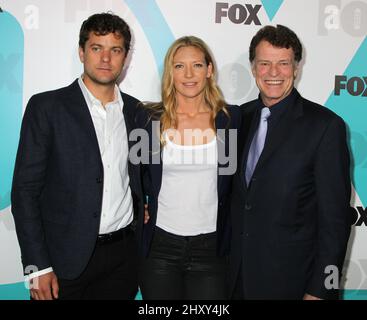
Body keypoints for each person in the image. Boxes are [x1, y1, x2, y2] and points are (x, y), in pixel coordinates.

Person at [11, 12, 144, 300]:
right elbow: (24, 192)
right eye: (97, 48)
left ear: (125, 58)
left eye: (115, 50)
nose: (106, 59)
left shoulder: (137, 112)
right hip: (61, 262)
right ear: (82, 52)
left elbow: (140, 175)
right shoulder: (47, 107)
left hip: (123, 258)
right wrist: (36, 267)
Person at [229, 25, 351, 300]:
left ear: (296, 67)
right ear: (253, 67)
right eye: (265, 63)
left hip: (292, 285)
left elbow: (335, 222)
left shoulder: (325, 126)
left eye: (283, 63)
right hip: (235, 280)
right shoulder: (238, 119)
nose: (273, 73)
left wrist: (321, 290)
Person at [135, 36, 241, 299]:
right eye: (179, 66)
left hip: (213, 248)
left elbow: (241, 178)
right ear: (171, 72)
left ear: (209, 70)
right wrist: (139, 206)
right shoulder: (150, 119)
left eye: (197, 65)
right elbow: (133, 173)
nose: (189, 74)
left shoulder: (230, 119)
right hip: (160, 246)